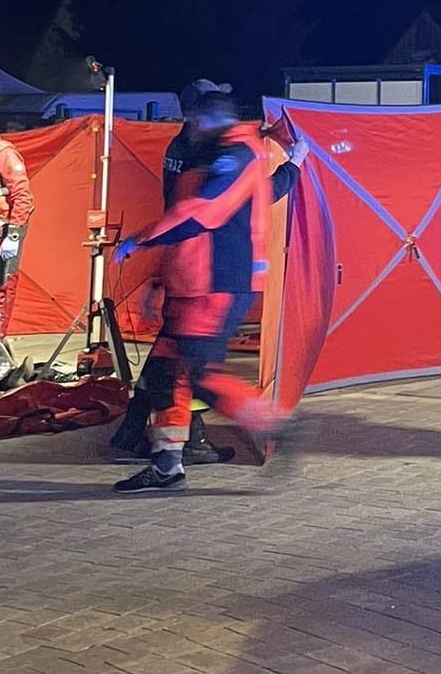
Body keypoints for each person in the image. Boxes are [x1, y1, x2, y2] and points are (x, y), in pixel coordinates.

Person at [110, 91, 300, 493]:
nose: (189, 126)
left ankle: (272, 423)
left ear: (209, 118)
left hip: (213, 284)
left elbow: (201, 215)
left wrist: (140, 240)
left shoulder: (237, 155)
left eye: (195, 119)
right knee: (165, 375)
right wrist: (159, 281)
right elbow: (186, 217)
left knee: (199, 375)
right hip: (190, 284)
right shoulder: (215, 153)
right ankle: (167, 465)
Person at [0, 125, 34, 387]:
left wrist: (12, 236)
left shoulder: (3, 153)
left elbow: (23, 197)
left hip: (1, 235)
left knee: (0, 294)